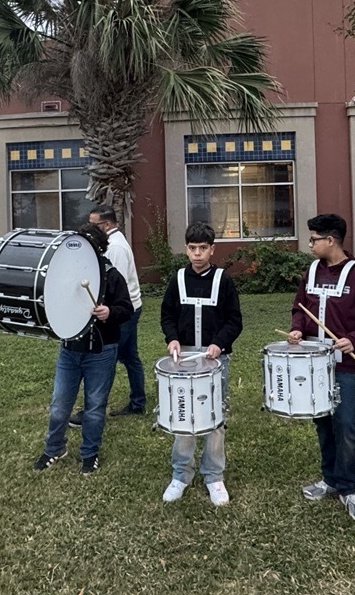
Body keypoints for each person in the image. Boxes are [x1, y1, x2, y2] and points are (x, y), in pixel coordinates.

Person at [288, 214, 355, 521]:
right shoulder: (312, 271)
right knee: (323, 422)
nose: (310, 244)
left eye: (314, 239)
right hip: (314, 365)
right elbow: (300, 307)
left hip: (345, 367)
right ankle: (330, 479)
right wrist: (297, 329)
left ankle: (349, 486)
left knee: (345, 424)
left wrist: (354, 340)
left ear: (331, 240)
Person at [33, 223, 133, 475]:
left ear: (99, 249)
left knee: (95, 406)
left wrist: (110, 312)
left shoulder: (112, 276)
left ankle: (90, 453)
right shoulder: (64, 275)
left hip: (101, 350)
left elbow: (127, 309)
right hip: (70, 350)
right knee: (59, 405)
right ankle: (54, 448)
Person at [159, 221, 242, 507]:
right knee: (183, 416)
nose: (197, 254)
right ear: (186, 249)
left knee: (214, 416)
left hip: (214, 359)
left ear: (212, 249)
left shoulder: (223, 280)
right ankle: (181, 473)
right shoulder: (177, 279)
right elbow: (167, 315)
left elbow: (234, 320)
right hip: (184, 360)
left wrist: (218, 343)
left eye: (203, 249)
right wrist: (172, 339)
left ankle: (214, 475)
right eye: (192, 248)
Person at [89, 205, 145, 416]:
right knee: (129, 356)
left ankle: (95, 407)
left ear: (107, 224)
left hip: (124, 312)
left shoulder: (116, 248)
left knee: (110, 358)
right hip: (127, 309)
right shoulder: (111, 244)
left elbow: (116, 286)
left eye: (94, 225)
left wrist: (108, 311)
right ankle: (137, 403)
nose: (90, 230)